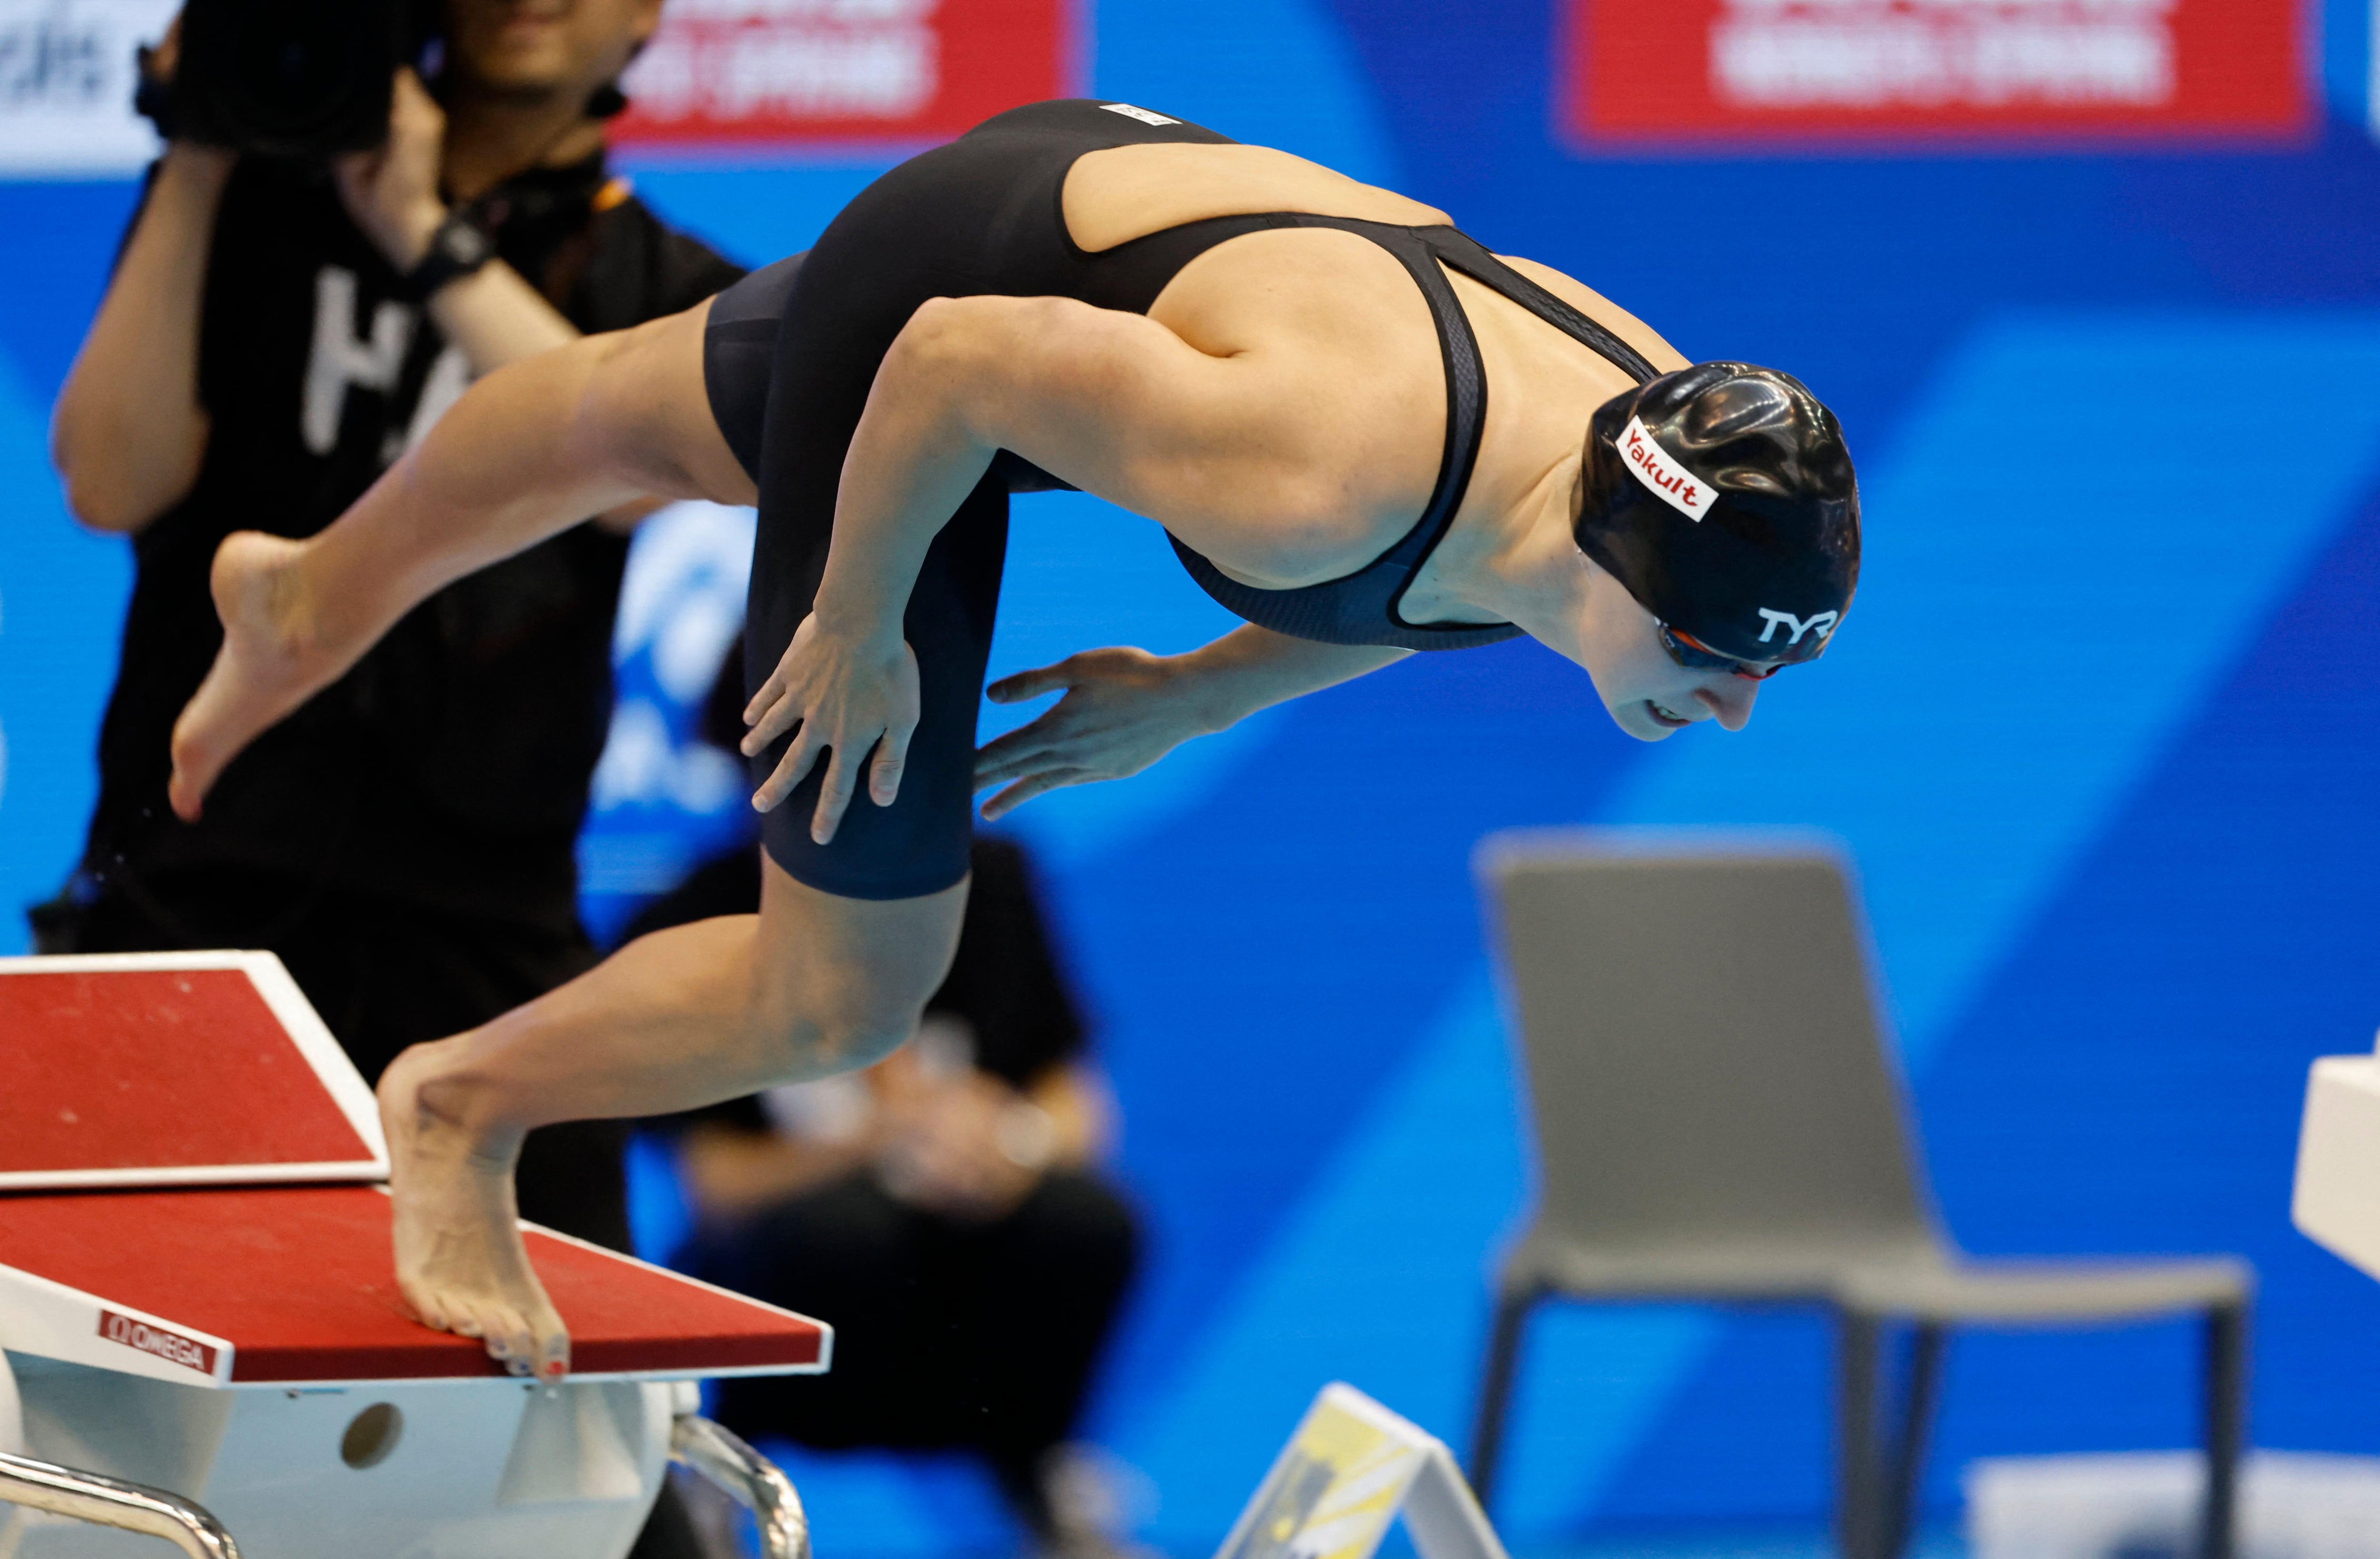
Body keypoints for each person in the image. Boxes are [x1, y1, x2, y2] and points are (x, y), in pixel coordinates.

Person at [159, 97, 1864, 1380]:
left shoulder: (1617, 472)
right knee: (846, 989)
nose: (1728, 708)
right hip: (964, 301)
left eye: (1769, 671)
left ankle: (301, 593)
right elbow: (957, 358)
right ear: (1612, 550)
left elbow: (1469, 586)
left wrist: (1199, 689)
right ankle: (458, 1105)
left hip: (1091, 233)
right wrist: (857, 620)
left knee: (634, 403)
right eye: (1710, 657)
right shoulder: (1323, 464)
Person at [46, 0, 744, 1491]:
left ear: (649, 19)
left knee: (566, 1459)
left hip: (490, 954)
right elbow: (109, 479)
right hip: (191, 909)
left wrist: (425, 233)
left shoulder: (664, 282)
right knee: (88, 1435)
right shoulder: (255, 214)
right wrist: (201, 152)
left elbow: (632, 467)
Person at [634, 805, 1139, 1555]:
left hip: (970, 1248)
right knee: (837, 1234)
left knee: (1088, 1221)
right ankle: (718, 1484)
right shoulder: (694, 909)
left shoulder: (994, 882)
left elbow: (1081, 1115)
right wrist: (882, 1142)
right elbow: (717, 1183)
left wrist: (1003, 1144)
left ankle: (1040, 1468)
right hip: (817, 1255)